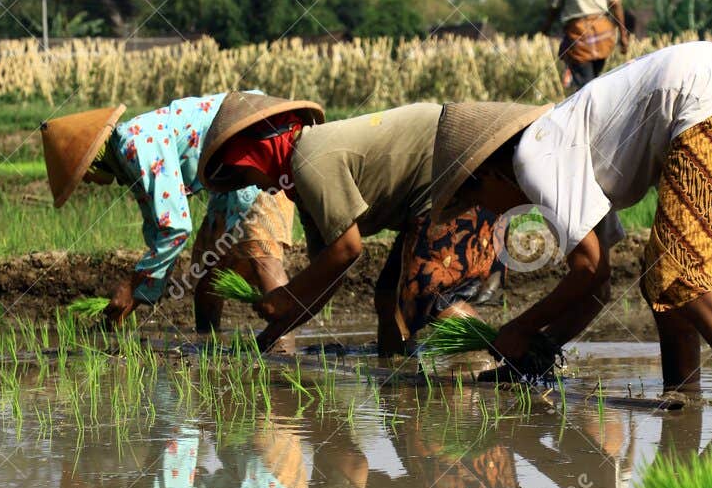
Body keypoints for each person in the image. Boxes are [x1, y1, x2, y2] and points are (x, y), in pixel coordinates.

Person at [429, 40, 712, 395]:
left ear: (488, 174)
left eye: (475, 199)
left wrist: (519, 329)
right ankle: (683, 393)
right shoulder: (563, 150)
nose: (490, 212)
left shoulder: (533, 158)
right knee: (661, 276)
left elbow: (589, 270)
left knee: (677, 271)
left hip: (708, 101)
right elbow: (598, 288)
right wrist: (541, 348)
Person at [200, 102, 505, 357]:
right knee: (388, 298)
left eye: (243, 171)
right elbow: (328, 276)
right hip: (429, 196)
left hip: (459, 175)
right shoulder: (303, 189)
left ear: (260, 152)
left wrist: (284, 296)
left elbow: (348, 249)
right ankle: (396, 381)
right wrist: (268, 338)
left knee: (428, 299)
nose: (250, 183)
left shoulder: (308, 158)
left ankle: (508, 360)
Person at [38, 91, 322, 331]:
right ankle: (210, 357)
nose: (87, 182)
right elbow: (159, 230)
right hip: (230, 173)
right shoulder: (130, 160)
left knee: (262, 255)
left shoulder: (133, 144)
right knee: (209, 274)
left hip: (258, 145)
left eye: (82, 176)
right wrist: (138, 293)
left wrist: (132, 283)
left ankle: (286, 359)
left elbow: (176, 228)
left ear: (92, 160)